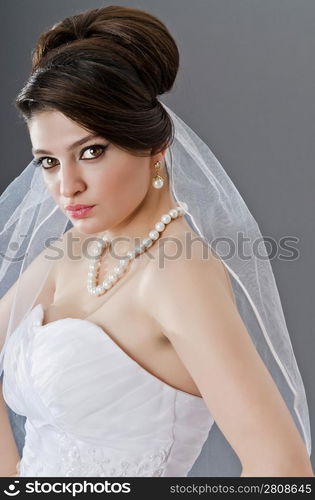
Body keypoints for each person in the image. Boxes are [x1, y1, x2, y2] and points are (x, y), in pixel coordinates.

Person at [0, 5, 313, 477]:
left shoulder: (176, 273)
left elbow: (281, 468)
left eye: (91, 151)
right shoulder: (67, 254)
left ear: (154, 147)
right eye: (47, 161)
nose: (67, 186)